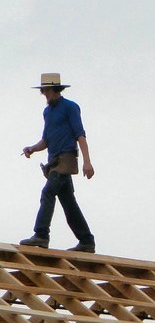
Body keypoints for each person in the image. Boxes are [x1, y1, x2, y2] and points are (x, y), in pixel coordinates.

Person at [19, 73, 96, 253]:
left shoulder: (70, 107)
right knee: (69, 203)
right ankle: (86, 240)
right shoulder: (47, 112)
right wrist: (32, 148)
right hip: (53, 161)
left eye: (47, 91)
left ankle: (41, 234)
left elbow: (80, 136)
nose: (45, 95)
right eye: (43, 92)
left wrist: (87, 162)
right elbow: (46, 140)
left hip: (66, 159)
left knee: (47, 192)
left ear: (56, 90)